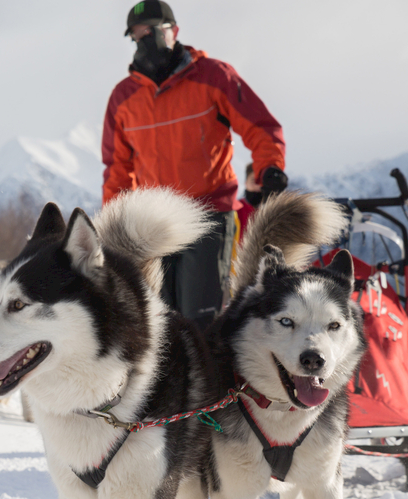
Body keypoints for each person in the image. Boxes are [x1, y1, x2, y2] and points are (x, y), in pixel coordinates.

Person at [102, 0, 287, 328]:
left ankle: (213, 379)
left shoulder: (214, 77)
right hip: (153, 223)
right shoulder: (124, 97)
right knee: (157, 321)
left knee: (200, 320)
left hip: (207, 215)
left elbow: (258, 125)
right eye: (136, 34)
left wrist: (269, 165)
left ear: (173, 30)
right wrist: (113, 222)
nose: (143, 39)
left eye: (151, 31)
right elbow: (118, 168)